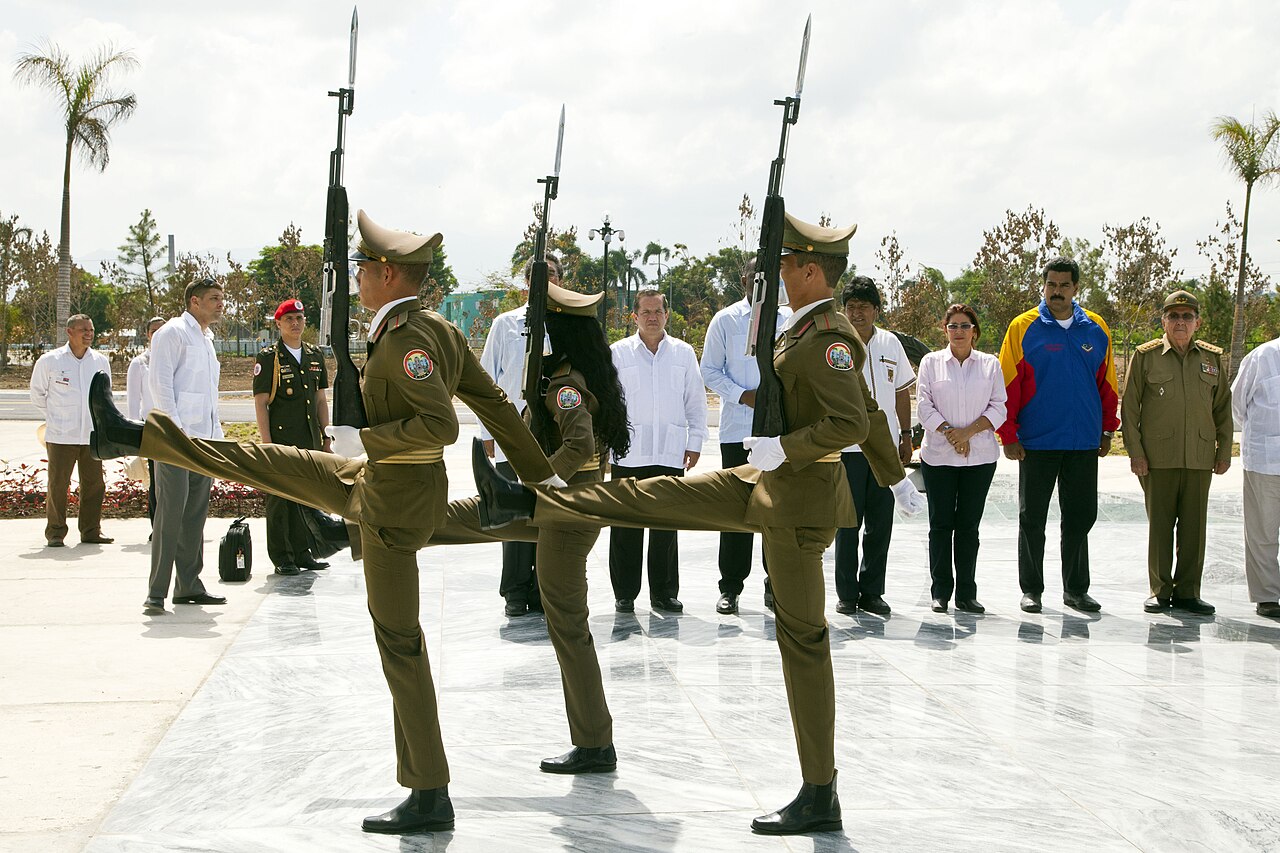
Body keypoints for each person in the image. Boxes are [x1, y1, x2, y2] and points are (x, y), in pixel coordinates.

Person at [86, 210, 556, 835]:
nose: (358, 277)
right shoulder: (433, 328)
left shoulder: (408, 341)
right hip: (381, 486)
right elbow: (493, 403)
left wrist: (366, 438)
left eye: (364, 268)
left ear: (389, 273)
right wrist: (540, 477)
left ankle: (429, 792)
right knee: (268, 461)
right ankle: (134, 436)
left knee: (401, 646)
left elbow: (440, 426)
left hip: (391, 501)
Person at [474, 213, 910, 835]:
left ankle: (820, 792)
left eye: (786, 264)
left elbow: (851, 421)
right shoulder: (806, 329)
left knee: (804, 644)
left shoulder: (829, 336)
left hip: (798, 500)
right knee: (646, 498)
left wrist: (788, 449)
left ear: (812, 269)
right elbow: (864, 409)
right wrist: (894, 476)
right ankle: (530, 504)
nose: (779, 274)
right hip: (770, 489)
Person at [426, 281, 631, 775]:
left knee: (568, 626)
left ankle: (595, 743)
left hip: (565, 516)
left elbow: (579, 441)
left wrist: (538, 488)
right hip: (565, 511)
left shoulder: (565, 381)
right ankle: (351, 536)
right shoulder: (576, 371)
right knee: (470, 517)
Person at [997, 256, 1120, 614]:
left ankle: (1076, 590)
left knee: (1080, 517)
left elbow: (1108, 384)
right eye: (1051, 284)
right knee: (1031, 518)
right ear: (1044, 286)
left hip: (1083, 441)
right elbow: (1007, 385)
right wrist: (1009, 435)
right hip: (1037, 442)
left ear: (1076, 288)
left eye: (1064, 285)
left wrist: (1108, 429)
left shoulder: (1095, 329)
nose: (1057, 291)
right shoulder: (1023, 327)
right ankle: (1031, 589)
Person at [1122, 290, 1232, 615]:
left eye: (1187, 316)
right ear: (1163, 321)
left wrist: (1223, 450)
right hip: (1158, 458)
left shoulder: (1212, 360)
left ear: (1197, 322)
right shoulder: (1146, 356)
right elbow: (1129, 409)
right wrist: (1135, 452)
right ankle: (1160, 591)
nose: (1180, 322)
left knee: (1194, 528)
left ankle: (1188, 592)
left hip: (1199, 456)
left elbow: (1223, 408)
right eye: (1174, 316)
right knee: (1160, 526)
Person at [607, 289, 708, 613]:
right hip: (628, 452)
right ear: (634, 316)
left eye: (658, 311)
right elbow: (608, 404)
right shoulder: (618, 353)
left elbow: (695, 401)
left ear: (667, 315)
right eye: (646, 312)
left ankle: (664, 593)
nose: (652, 317)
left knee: (665, 525)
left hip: (669, 451)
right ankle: (625, 593)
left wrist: (694, 442)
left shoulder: (683, 353)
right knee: (625, 526)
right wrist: (608, 448)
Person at [699, 257, 788, 614]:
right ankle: (730, 587)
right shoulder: (725, 320)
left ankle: (775, 584)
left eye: (770, 276)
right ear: (745, 279)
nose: (762, 282)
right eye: (756, 276)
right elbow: (710, 371)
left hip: (778, 433)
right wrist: (745, 395)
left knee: (776, 508)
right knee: (736, 509)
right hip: (738, 429)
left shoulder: (789, 320)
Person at [478, 255, 565, 617]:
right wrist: (488, 434)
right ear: (527, 283)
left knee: (548, 515)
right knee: (515, 516)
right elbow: (485, 381)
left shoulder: (568, 325)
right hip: (512, 436)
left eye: (555, 276)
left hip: (555, 439)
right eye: (541, 277)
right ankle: (515, 590)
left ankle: (546, 589)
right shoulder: (505, 324)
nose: (549, 283)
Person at [916, 304, 1006, 614]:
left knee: (968, 527)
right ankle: (940, 591)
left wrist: (966, 434)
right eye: (953, 325)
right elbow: (924, 406)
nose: (958, 331)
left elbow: (999, 408)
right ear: (945, 330)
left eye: (965, 326)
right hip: (939, 456)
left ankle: (966, 593)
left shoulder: (990, 365)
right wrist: (951, 434)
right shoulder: (931, 363)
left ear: (975, 332)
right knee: (940, 525)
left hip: (979, 458)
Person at [833, 277, 916, 616]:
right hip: (848, 449)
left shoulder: (890, 343)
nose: (857, 314)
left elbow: (901, 392)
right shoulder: (835, 345)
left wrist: (907, 435)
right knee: (847, 522)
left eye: (863, 308)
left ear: (876, 310)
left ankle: (872, 592)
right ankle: (846, 594)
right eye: (851, 308)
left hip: (884, 448)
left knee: (880, 523)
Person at [145, 280, 226, 616]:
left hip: (202, 442)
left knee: (194, 517)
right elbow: (160, 385)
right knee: (169, 516)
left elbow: (209, 395)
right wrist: (176, 432)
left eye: (222, 299)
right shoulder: (172, 333)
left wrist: (216, 438)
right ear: (194, 301)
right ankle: (156, 592)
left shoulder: (206, 340)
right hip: (176, 442)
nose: (221, 304)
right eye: (214, 299)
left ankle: (188, 585)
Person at [252, 298, 332, 576]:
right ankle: (282, 556)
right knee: (280, 500)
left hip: (309, 439)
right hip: (282, 439)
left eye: (299, 318)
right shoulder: (269, 358)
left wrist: (326, 436)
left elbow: (321, 399)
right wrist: (267, 442)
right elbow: (261, 402)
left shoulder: (314, 355)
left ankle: (303, 551)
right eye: (289, 319)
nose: (295, 323)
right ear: (278, 324)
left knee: (305, 497)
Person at [29, 313, 113, 547]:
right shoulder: (50, 361)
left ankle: (90, 531)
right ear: (69, 332)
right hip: (61, 436)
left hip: (91, 435)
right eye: (83, 330)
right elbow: (37, 395)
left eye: (91, 330)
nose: (88, 334)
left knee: (95, 484)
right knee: (58, 484)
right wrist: (56, 417)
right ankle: (55, 532)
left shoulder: (100, 361)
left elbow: (106, 396)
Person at [1231, 333, 1280, 618]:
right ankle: (1267, 596)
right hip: (1265, 459)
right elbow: (1237, 406)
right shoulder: (1263, 357)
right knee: (1262, 531)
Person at [127, 317, 166, 527]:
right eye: (154, 330)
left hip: (175, 428)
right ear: (148, 335)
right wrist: (134, 432)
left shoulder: (176, 358)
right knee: (156, 481)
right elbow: (133, 400)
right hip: (151, 429)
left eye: (163, 330)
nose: (158, 334)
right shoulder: (140, 363)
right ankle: (157, 526)